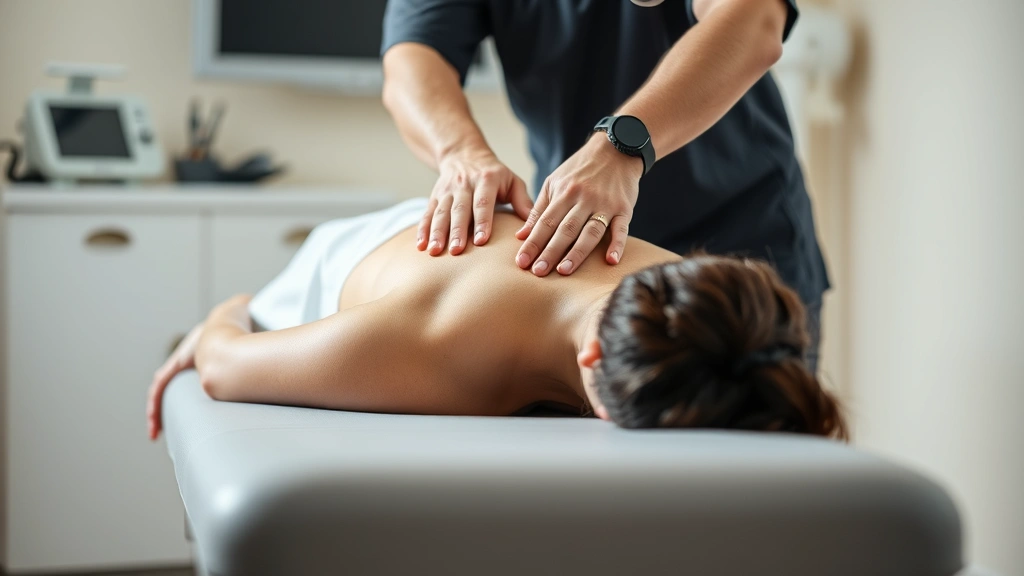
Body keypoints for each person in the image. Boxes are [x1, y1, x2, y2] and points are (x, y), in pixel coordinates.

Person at [146, 199, 846, 441]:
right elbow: (225, 369)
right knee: (235, 320)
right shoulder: (436, 350)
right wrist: (222, 320)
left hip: (459, 245)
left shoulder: (697, 298)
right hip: (344, 262)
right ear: (594, 370)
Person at [380, 0, 830, 371]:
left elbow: (753, 18)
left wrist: (622, 146)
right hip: (585, 271)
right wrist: (462, 153)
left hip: (743, 249)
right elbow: (412, 57)